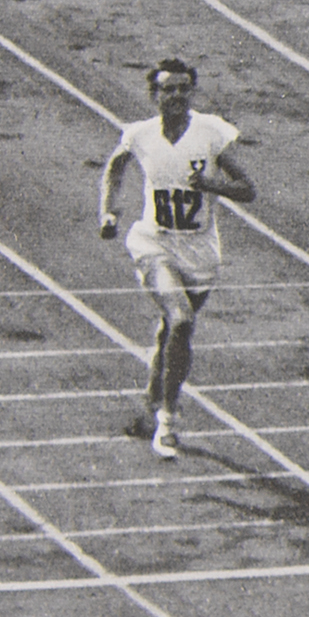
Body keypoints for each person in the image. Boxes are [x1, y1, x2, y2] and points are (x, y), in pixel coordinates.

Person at [98, 59, 256, 460]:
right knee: (182, 319)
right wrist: (109, 213)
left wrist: (211, 185)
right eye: (168, 89)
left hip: (199, 252)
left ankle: (150, 402)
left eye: (184, 88)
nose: (176, 96)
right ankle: (168, 422)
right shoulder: (140, 135)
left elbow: (247, 189)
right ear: (154, 95)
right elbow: (115, 168)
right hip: (155, 243)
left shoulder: (211, 133)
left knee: (172, 331)